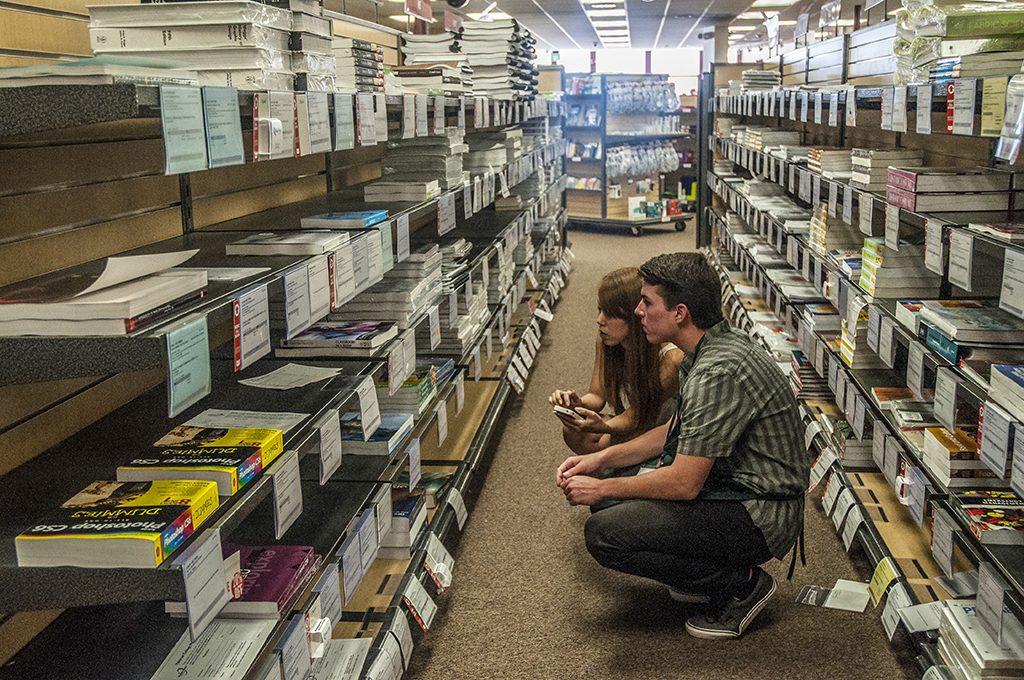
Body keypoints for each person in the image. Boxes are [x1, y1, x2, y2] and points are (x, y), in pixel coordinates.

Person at [555, 252, 809, 640]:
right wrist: (599, 460)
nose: (638, 311)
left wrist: (603, 484)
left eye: (647, 302)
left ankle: (740, 585)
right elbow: (672, 431)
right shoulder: (707, 349)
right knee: (606, 499)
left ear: (680, 313)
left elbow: (683, 483)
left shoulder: (716, 372)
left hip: (760, 513)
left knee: (604, 532)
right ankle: (705, 573)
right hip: (733, 486)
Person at [548, 267, 682, 456]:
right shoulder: (607, 341)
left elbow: (636, 417)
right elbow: (597, 395)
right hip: (638, 419)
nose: (599, 320)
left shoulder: (670, 359)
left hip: (664, 428)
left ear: (634, 315)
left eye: (610, 314)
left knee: (603, 444)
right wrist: (574, 403)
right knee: (573, 432)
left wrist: (603, 426)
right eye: (600, 309)